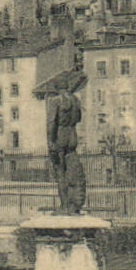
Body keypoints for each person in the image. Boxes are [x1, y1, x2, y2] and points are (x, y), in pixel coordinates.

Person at [45, 71, 87, 214]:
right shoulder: (75, 100)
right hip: (72, 135)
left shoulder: (55, 100)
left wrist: (50, 141)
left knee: (60, 173)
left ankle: (64, 206)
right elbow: (79, 118)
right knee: (72, 170)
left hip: (60, 135)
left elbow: (51, 122)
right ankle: (74, 204)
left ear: (56, 87)